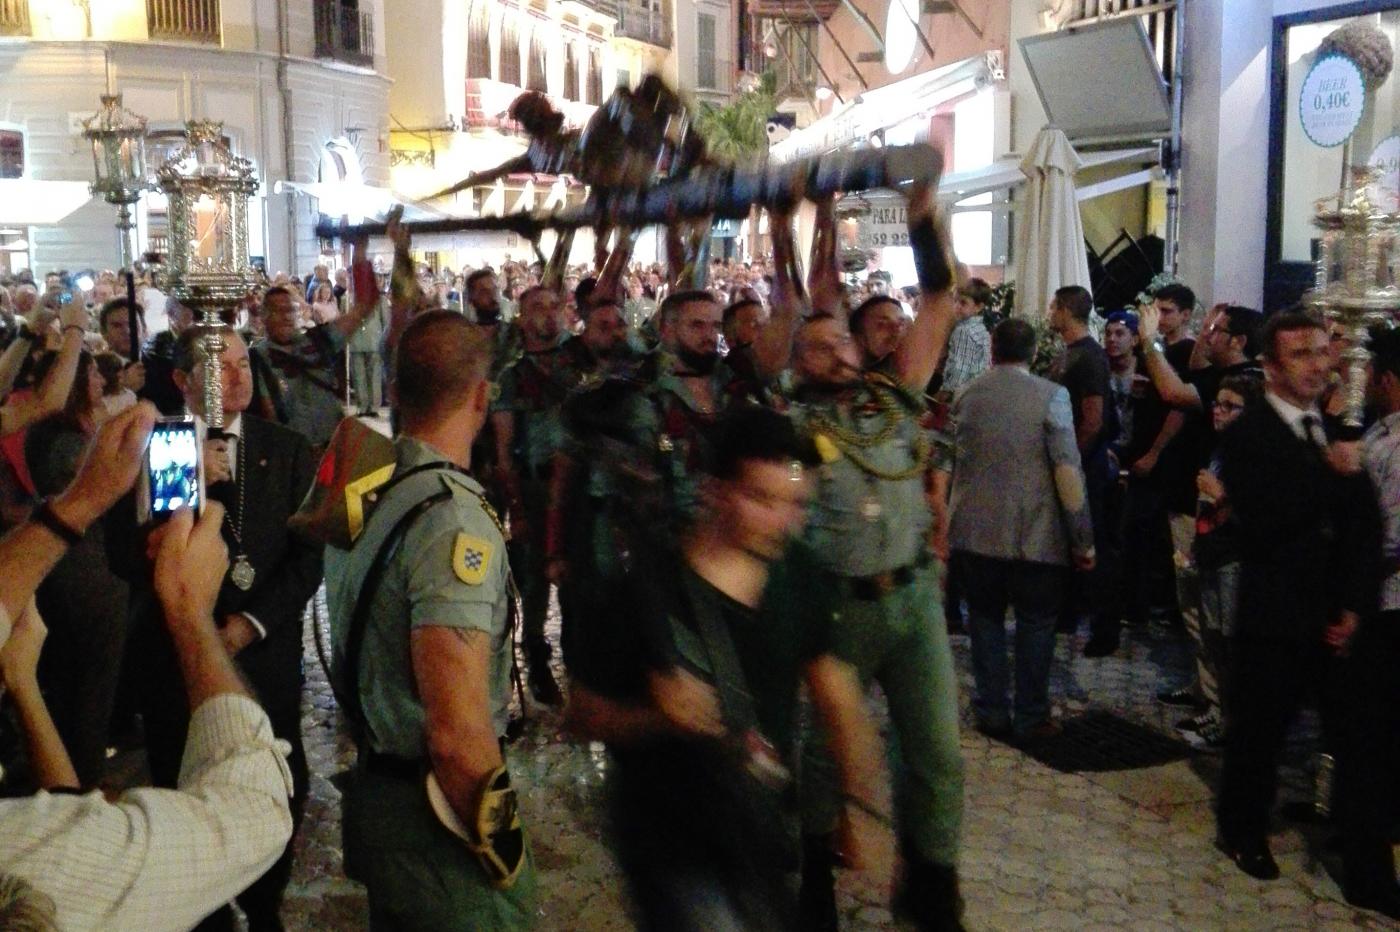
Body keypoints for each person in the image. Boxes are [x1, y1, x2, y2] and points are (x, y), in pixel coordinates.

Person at [566, 405, 886, 931]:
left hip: (755, 828)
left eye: (796, 504)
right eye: (762, 499)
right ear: (714, 489)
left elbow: (840, 698)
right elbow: (582, 715)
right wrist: (658, 716)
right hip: (670, 841)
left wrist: (861, 806)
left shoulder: (797, 573)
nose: (783, 522)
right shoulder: (643, 590)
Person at [0, 402, 294, 932]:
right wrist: (188, 611)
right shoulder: (44, 870)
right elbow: (252, 811)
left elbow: (69, 815)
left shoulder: (43, 840)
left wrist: (77, 504)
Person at [326, 309, 538, 930]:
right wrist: (508, 860)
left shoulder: (364, 486)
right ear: (481, 395)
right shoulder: (454, 520)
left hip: (382, 798)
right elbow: (454, 733)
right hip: (436, 823)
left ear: (395, 392)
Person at [790, 183, 964, 931]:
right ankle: (812, 876)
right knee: (823, 752)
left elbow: (941, 298)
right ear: (797, 362)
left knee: (936, 752)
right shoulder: (788, 430)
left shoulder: (895, 398)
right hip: (836, 608)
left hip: (913, 602)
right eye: (816, 345)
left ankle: (932, 884)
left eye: (842, 342)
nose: (833, 352)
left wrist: (923, 213)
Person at [111, 324, 322, 932]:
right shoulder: (160, 445)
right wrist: (182, 490)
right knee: (183, 784)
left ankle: (265, 904)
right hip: (173, 657)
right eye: (219, 366)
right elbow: (124, 557)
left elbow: (310, 556)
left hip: (262, 653)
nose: (237, 375)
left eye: (241, 362)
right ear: (182, 381)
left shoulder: (286, 447)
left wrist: (252, 624)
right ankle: (202, 913)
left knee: (279, 780)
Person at [1214, 312, 1382, 893]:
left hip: (1336, 616)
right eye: (1301, 355)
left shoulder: (1333, 430)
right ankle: (1242, 831)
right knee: (1259, 734)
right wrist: (1331, 476)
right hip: (1276, 615)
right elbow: (1266, 519)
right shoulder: (1247, 434)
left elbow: (1366, 527)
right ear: (1270, 367)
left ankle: (1366, 868)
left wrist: (1355, 606)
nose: (1318, 364)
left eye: (1321, 351)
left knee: (1359, 740)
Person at [942, 318, 1095, 740]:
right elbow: (1067, 471)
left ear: (992, 349)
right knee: (1036, 622)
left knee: (985, 621)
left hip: (974, 533)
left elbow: (946, 461)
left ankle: (992, 709)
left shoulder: (966, 395)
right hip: (1036, 533)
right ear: (1033, 353)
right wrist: (1083, 539)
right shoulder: (1053, 397)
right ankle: (1030, 713)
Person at [22, 350, 130, 786]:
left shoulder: (61, 433)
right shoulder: (66, 443)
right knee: (89, 685)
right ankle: (82, 782)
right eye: (89, 373)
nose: (99, 380)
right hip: (86, 573)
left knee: (78, 682)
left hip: (77, 568)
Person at [491, 285, 576, 705]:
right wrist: (517, 510)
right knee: (535, 582)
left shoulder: (580, 363)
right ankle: (537, 656)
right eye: (537, 309)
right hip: (535, 486)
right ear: (522, 319)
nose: (548, 316)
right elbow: (504, 450)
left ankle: (581, 660)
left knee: (579, 579)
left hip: (578, 490)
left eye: (554, 306)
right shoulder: (512, 377)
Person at [1175, 373, 1261, 749]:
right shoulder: (1222, 448)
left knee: (1232, 643)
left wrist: (1221, 493)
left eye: (1231, 406)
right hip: (1212, 553)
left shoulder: (1254, 453)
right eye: (1218, 404)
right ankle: (1220, 710)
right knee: (1213, 640)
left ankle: (1235, 721)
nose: (1219, 412)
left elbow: (1259, 510)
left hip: (1233, 559)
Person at [1046, 285, 1119, 656]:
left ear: (1065, 310)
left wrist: (1069, 460)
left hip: (1082, 465)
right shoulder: (1069, 354)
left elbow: (1092, 419)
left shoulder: (1089, 358)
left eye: (1053, 305)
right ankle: (1067, 615)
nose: (1048, 311)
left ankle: (1105, 629)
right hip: (1073, 462)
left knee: (1094, 543)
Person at [250, 276, 377, 450]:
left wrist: (359, 250)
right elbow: (267, 416)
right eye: (278, 311)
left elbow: (362, 308)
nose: (286, 317)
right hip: (292, 455)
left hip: (334, 448)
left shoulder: (318, 341)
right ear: (264, 315)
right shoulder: (256, 358)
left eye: (290, 310)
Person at [938, 278, 993, 395]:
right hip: (979, 390)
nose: (957, 306)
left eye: (963, 303)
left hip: (962, 393)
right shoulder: (981, 329)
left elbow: (960, 368)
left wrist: (945, 392)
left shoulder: (964, 331)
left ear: (979, 307)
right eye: (955, 301)